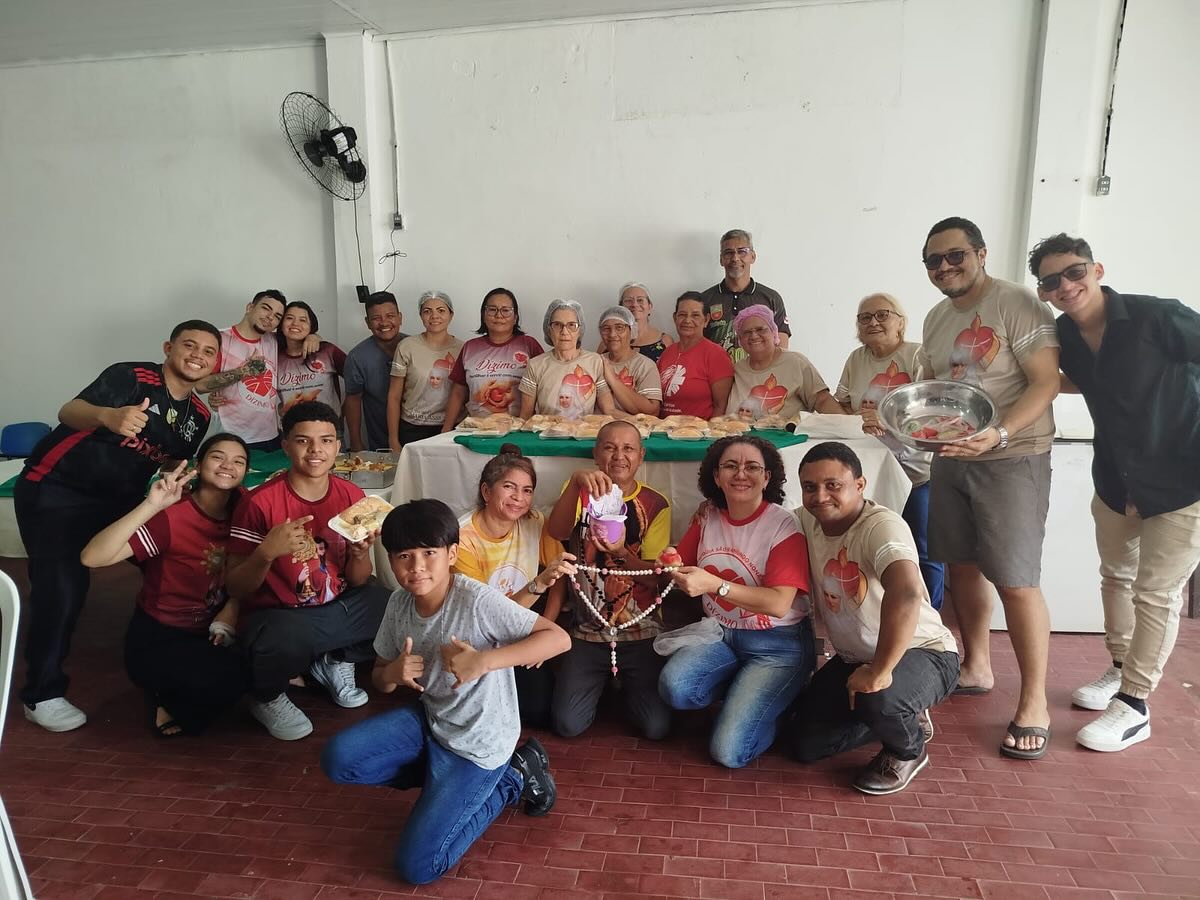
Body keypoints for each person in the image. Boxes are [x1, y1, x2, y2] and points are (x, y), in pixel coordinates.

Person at [320, 498, 570, 885]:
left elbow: (557, 639)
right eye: (403, 556)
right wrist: (392, 673)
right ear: (390, 560)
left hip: (479, 744)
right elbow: (380, 678)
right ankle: (443, 787)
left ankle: (513, 777)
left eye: (429, 553)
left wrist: (484, 661)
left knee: (418, 867)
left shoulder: (476, 600)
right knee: (339, 758)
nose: (416, 567)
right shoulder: (398, 604)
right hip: (432, 720)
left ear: (452, 554)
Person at [1030, 232, 1200, 752]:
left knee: (1157, 593)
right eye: (1052, 281)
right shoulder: (1064, 333)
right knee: (1116, 577)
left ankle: (1135, 704)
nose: (1066, 286)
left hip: (1182, 478)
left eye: (1074, 272)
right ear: (1043, 292)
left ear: (1096, 269)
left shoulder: (1156, 316)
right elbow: (1079, 380)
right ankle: (1122, 667)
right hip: (1115, 477)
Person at [15, 320, 220, 732]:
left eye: (209, 351)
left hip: (120, 502)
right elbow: (68, 412)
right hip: (57, 490)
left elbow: (172, 462)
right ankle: (41, 693)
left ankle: (177, 658)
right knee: (62, 587)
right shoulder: (131, 376)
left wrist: (187, 485)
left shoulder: (198, 415)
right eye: (189, 344)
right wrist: (108, 416)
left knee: (178, 561)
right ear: (168, 348)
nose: (197, 355)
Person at [915, 216, 1059, 760]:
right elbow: (937, 390)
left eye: (955, 255)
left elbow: (1046, 381)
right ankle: (976, 665)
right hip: (954, 455)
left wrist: (999, 433)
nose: (945, 267)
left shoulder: (1016, 303)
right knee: (961, 564)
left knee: (1016, 580)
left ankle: (1035, 702)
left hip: (1013, 456)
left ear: (980, 253)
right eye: (934, 260)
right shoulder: (935, 318)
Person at [787, 442, 959, 794]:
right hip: (855, 657)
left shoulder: (882, 525)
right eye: (810, 487)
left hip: (924, 651)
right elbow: (764, 520)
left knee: (879, 696)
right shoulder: (806, 520)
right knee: (806, 745)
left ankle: (906, 749)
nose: (821, 496)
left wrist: (880, 672)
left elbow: (907, 592)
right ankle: (900, 711)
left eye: (833, 485)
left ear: (860, 485)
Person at [225, 401, 392, 740]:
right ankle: (267, 696)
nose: (316, 450)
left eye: (326, 440)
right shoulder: (259, 502)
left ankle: (334, 659)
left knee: (394, 606)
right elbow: (236, 588)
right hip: (282, 615)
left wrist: (361, 553)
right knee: (280, 638)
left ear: (338, 446)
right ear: (286, 445)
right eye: (303, 440)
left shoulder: (352, 494)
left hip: (334, 607)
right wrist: (266, 553)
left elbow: (358, 579)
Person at [80, 433, 252, 737]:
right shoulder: (173, 516)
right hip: (161, 634)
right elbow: (92, 557)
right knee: (226, 682)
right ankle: (163, 696)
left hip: (214, 629)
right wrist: (151, 505)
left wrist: (233, 606)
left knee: (262, 664)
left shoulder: (245, 511)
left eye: (238, 461)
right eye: (218, 457)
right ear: (199, 464)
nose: (228, 465)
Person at [658, 435, 814, 767]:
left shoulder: (783, 525)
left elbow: (778, 603)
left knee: (729, 753)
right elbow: (681, 566)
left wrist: (716, 585)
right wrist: (670, 562)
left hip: (777, 644)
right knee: (675, 687)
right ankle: (747, 692)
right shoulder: (708, 516)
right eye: (730, 466)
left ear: (767, 477)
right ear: (716, 476)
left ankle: (776, 703)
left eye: (752, 467)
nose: (741, 474)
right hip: (720, 634)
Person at [546, 420, 673, 739]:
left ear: (641, 456)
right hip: (587, 629)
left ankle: (625, 685)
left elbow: (657, 579)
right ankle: (602, 682)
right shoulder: (578, 492)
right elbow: (557, 532)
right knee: (567, 724)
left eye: (628, 448)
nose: (619, 456)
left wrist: (621, 553)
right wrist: (575, 484)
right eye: (609, 447)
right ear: (595, 453)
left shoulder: (655, 504)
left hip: (640, 629)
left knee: (657, 727)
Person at [835, 292, 945, 608]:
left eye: (882, 314)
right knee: (873, 545)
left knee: (923, 549)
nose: (873, 322)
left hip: (916, 473)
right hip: (869, 472)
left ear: (900, 321)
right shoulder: (856, 359)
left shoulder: (918, 355)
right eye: (865, 317)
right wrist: (854, 419)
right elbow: (843, 404)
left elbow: (934, 409)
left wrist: (886, 418)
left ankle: (929, 620)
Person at [453, 445, 577, 725]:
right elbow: (486, 615)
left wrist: (545, 631)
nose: (519, 498)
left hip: (520, 626)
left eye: (527, 490)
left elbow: (558, 577)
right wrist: (537, 584)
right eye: (509, 487)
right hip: (477, 633)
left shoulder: (534, 522)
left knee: (539, 710)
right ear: (486, 492)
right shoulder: (463, 539)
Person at [442, 288, 544, 428]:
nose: (498, 315)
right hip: (477, 429)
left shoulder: (529, 345)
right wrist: (446, 427)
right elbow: (458, 392)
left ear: (515, 317)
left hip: (518, 430)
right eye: (492, 309)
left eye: (505, 310)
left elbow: (544, 386)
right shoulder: (470, 347)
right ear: (483, 315)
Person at [202, 290, 288, 452]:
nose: (270, 317)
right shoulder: (220, 339)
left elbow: (300, 336)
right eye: (266, 308)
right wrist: (244, 372)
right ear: (250, 307)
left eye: (277, 316)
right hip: (232, 436)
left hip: (270, 436)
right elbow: (200, 385)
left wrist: (314, 336)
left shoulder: (274, 340)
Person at [727, 304, 842, 420]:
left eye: (760, 329)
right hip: (736, 431)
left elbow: (822, 400)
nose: (754, 335)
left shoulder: (796, 363)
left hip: (788, 431)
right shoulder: (737, 370)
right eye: (746, 332)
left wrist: (846, 424)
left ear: (773, 332)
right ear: (740, 340)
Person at [387, 291, 464, 449]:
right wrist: (393, 439)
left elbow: (463, 392)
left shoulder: (463, 349)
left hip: (452, 428)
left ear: (451, 315)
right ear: (421, 315)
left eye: (441, 310)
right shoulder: (407, 346)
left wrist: (449, 428)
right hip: (413, 428)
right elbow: (394, 396)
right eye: (427, 311)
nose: (434, 316)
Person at [700, 229, 791, 361]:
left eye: (742, 251)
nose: (735, 258)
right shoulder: (705, 300)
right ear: (721, 260)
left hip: (759, 373)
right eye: (728, 253)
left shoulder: (771, 298)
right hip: (716, 373)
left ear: (752, 256)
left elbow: (781, 349)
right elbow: (696, 345)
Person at [518, 300, 614, 420]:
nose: (564, 332)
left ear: (579, 331)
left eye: (571, 325)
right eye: (557, 325)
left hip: (584, 430)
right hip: (546, 431)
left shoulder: (595, 361)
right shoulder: (535, 365)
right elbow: (525, 417)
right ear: (549, 330)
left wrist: (631, 420)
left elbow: (609, 410)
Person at [345, 291, 408, 451]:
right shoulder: (357, 357)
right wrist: (355, 442)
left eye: (390, 316)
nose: (384, 322)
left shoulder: (415, 347)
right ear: (367, 322)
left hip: (419, 438)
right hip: (381, 444)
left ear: (400, 317)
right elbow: (353, 400)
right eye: (376, 318)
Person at [658, 291, 734, 419]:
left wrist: (709, 430)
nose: (687, 320)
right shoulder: (667, 353)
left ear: (706, 320)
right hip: (663, 429)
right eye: (682, 315)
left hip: (700, 430)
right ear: (675, 318)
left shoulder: (716, 355)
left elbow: (721, 407)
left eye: (695, 315)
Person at [275, 301, 346, 427]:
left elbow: (358, 380)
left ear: (311, 326)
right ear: (281, 324)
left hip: (329, 428)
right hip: (291, 429)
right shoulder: (273, 355)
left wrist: (343, 412)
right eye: (289, 318)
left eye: (303, 320)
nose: (295, 323)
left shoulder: (327, 351)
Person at [596, 306, 662, 416]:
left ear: (632, 330)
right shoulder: (595, 362)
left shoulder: (644, 365)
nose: (612, 334)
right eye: (606, 329)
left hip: (633, 427)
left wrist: (613, 379)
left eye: (619, 327)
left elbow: (652, 412)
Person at [597, 283, 673, 362]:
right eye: (628, 301)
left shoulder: (665, 341)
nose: (634, 304)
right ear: (621, 308)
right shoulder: (609, 341)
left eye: (640, 300)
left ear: (650, 306)